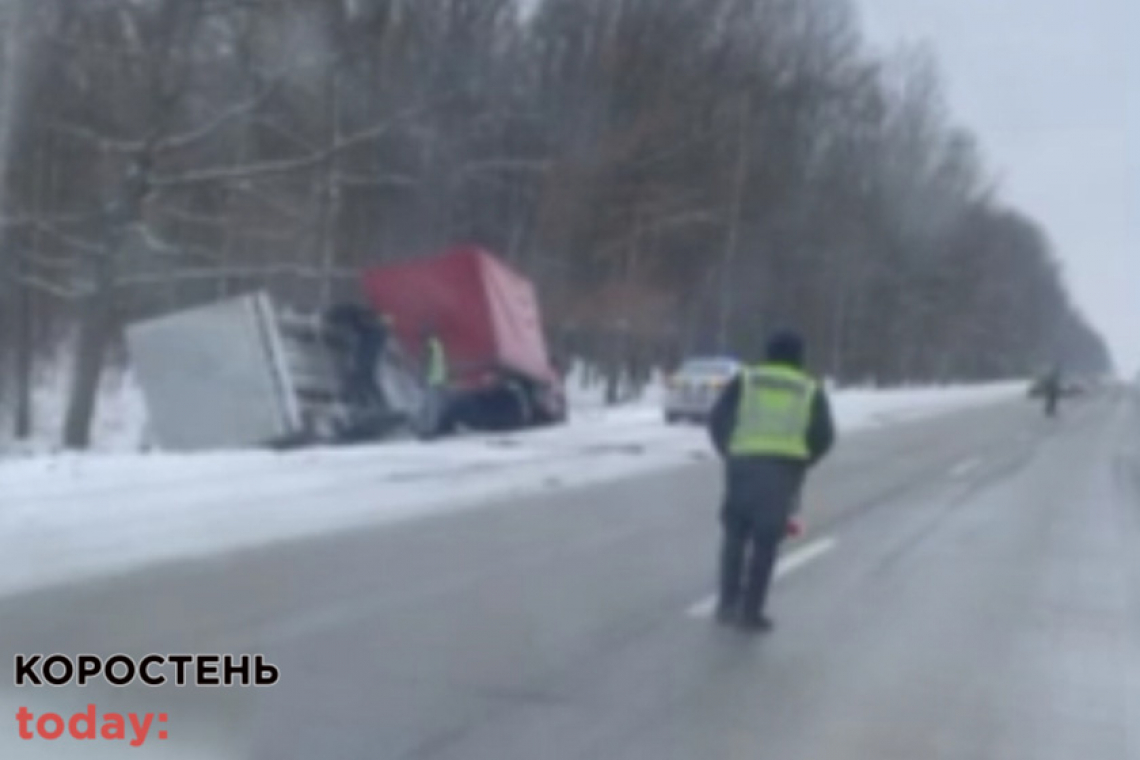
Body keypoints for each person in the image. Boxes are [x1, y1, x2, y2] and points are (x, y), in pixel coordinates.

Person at [706, 329, 836, 632]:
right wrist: (804, 459)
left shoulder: (746, 380)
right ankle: (751, 613)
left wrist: (730, 450)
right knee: (766, 543)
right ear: (799, 356)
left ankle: (727, 604)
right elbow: (824, 435)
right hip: (782, 469)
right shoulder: (809, 388)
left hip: (742, 465)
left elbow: (718, 418)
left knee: (735, 535)